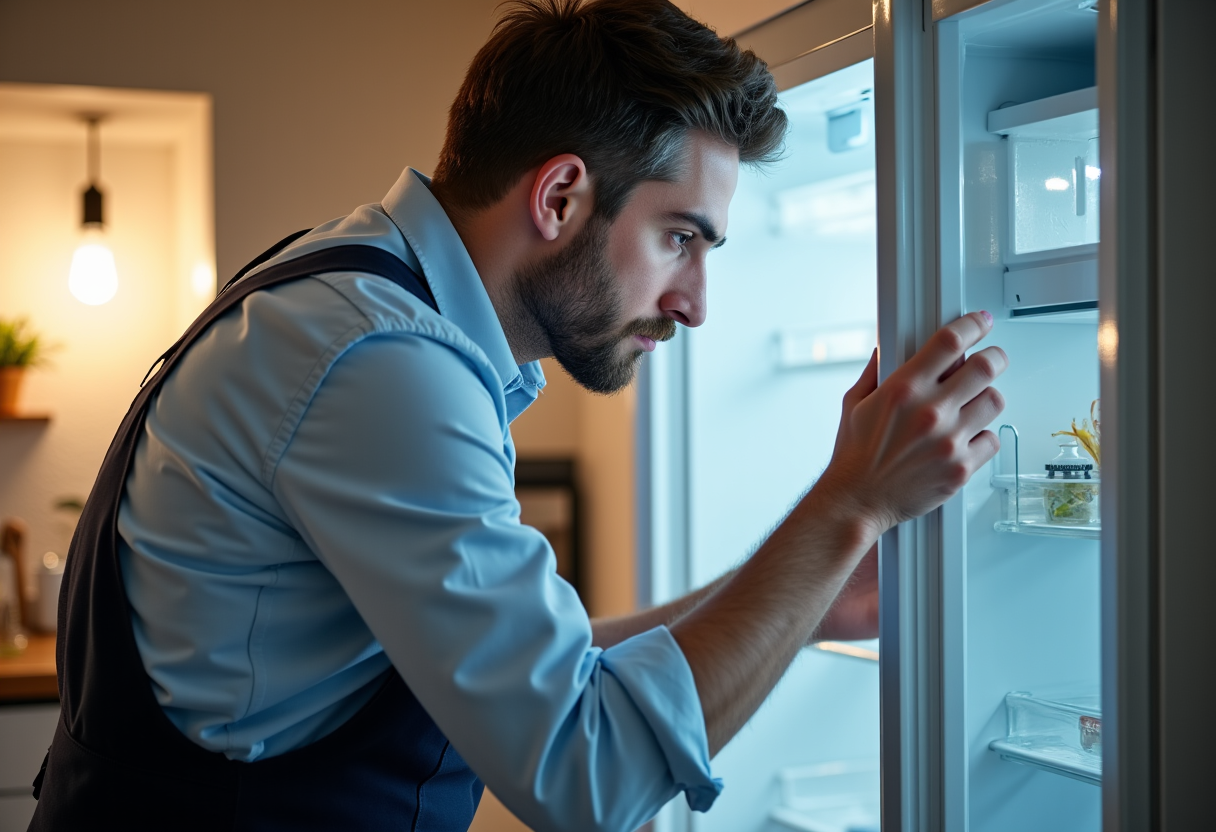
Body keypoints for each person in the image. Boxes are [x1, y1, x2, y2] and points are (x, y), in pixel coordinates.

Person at [30, 0, 1007, 830]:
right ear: (561, 195)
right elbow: (589, 775)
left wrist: (811, 601)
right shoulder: (380, 364)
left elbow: (547, 663)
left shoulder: (360, 302)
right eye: (679, 238)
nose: (695, 301)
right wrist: (851, 503)